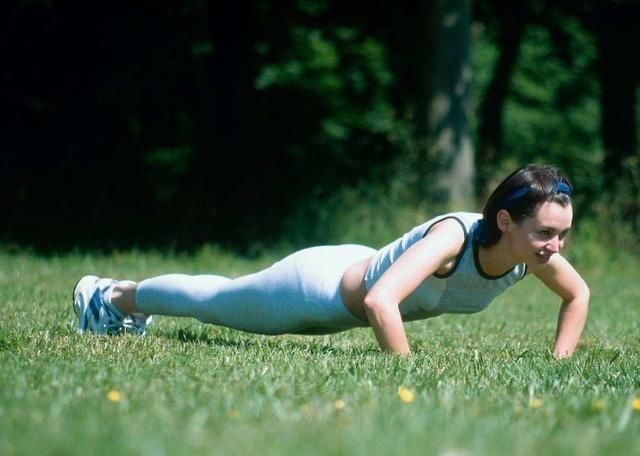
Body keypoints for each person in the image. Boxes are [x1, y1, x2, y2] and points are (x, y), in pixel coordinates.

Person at [72, 164, 589, 358]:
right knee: (215, 300)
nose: (556, 246)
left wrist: (559, 362)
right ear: (504, 222)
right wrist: (406, 375)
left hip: (345, 289)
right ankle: (111, 295)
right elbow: (380, 298)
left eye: (562, 234)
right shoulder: (454, 238)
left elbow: (578, 295)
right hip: (312, 289)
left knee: (218, 298)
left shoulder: (531, 253)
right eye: (546, 232)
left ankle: (119, 297)